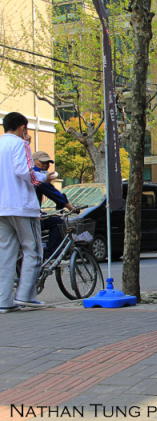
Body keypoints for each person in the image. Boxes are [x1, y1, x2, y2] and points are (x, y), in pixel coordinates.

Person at [0, 112, 47, 312]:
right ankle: (25, 295)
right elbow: (24, 172)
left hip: (2, 208)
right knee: (33, 250)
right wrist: (44, 178)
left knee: (6, 253)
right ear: (22, 127)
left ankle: (4, 300)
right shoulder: (21, 145)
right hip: (22, 206)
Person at [32, 151, 76, 258]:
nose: (46, 165)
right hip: (30, 215)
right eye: (43, 163)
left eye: (48, 163)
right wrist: (69, 206)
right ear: (35, 162)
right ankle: (50, 255)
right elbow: (52, 192)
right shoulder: (38, 175)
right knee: (58, 223)